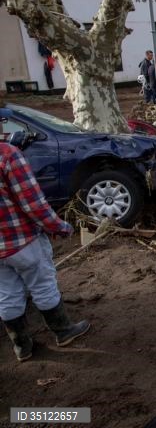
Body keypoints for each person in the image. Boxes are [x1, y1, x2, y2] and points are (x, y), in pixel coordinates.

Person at [0, 111, 90, 362]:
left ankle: (22, 346)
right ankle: (63, 331)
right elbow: (33, 205)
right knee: (43, 285)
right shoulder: (7, 155)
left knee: (6, 294)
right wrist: (60, 227)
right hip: (22, 242)